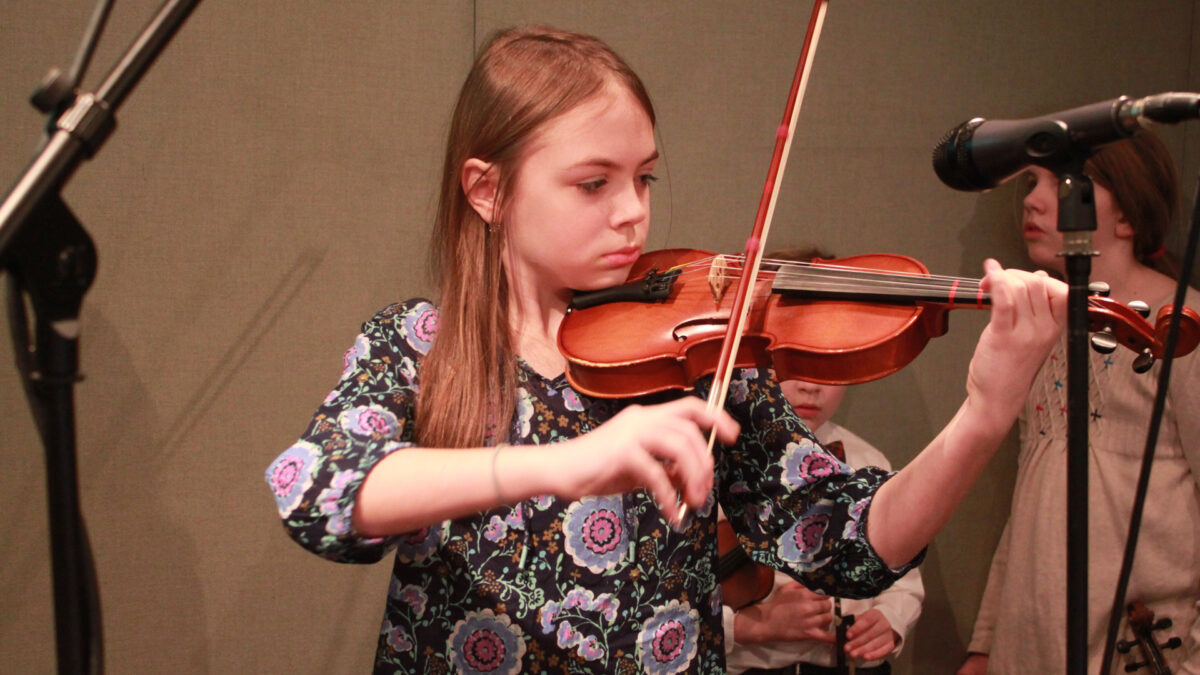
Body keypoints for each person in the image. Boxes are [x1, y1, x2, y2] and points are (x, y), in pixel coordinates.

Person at [264, 26, 1065, 674]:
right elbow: (319, 488)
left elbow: (852, 543)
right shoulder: (417, 345)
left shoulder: (699, 355)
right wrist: (569, 463)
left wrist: (985, 414)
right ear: (488, 189)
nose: (632, 213)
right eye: (592, 183)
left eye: (643, 178)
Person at [957, 133, 1200, 675]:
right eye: (1031, 182)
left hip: (1142, 650)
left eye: (1061, 183)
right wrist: (987, 643)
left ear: (1128, 217)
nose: (1033, 200)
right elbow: (1031, 489)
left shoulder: (1182, 327)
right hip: (1030, 645)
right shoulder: (1044, 327)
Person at [723, 249, 924, 675]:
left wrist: (890, 619)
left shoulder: (868, 460)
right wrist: (746, 627)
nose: (812, 384)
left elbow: (904, 579)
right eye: (793, 357)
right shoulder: (713, 461)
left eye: (827, 358)